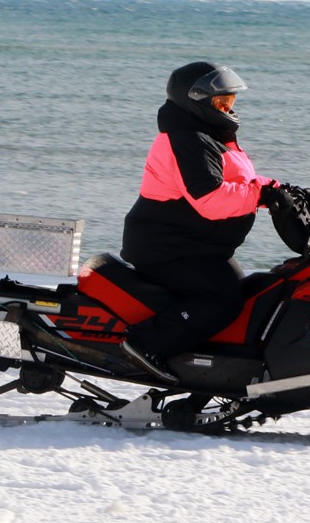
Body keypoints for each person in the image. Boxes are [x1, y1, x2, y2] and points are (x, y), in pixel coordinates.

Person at [119, 61, 292, 383]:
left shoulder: (207, 135)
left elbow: (240, 180)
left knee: (251, 294)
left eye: (230, 101)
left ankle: (205, 364)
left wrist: (279, 189)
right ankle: (144, 346)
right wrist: (261, 196)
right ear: (195, 101)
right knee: (221, 301)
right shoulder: (188, 139)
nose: (228, 108)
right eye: (220, 102)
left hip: (199, 245)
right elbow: (210, 199)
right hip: (167, 248)